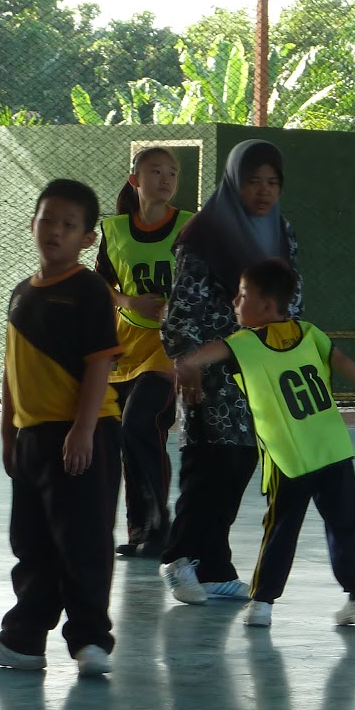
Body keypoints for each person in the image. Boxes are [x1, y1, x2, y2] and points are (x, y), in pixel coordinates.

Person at [171, 258, 355, 627]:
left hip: (292, 455)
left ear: (267, 306)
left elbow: (211, 352)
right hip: (333, 449)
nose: (235, 304)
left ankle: (263, 604)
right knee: (345, 524)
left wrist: (188, 362)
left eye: (241, 297)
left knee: (281, 528)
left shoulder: (247, 342)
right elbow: (342, 360)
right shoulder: (309, 332)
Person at [0, 180, 123, 676]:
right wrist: (9, 430)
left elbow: (99, 364)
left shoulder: (90, 291)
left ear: (87, 238)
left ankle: (90, 641)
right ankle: (24, 639)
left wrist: (81, 431)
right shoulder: (21, 294)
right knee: (31, 541)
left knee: (83, 539)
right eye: (47, 219)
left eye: (68, 224)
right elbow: (13, 367)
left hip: (84, 433)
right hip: (33, 437)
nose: (55, 231)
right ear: (32, 223)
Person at [160, 139, 302, 604]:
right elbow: (182, 306)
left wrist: (284, 348)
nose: (264, 191)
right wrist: (186, 360)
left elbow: (292, 298)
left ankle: (215, 566)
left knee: (240, 462)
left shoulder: (281, 233)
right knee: (209, 463)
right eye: (253, 181)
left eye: (273, 182)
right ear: (233, 182)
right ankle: (178, 559)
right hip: (210, 369)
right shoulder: (203, 235)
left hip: (258, 368)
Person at [96, 146, 194, 558]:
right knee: (128, 438)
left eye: (172, 172)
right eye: (156, 171)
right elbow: (103, 285)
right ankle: (141, 532)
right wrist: (130, 303)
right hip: (125, 345)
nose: (166, 178)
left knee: (141, 423)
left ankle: (160, 525)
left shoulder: (190, 226)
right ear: (135, 180)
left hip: (168, 348)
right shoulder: (115, 230)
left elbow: (204, 282)